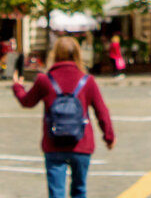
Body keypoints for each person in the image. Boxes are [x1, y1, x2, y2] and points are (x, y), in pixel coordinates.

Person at [13, 36, 116, 198]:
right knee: (79, 190)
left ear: (55, 54)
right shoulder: (87, 80)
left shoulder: (44, 80)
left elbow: (27, 102)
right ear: (77, 54)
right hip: (81, 143)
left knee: (56, 192)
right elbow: (102, 111)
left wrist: (18, 87)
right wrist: (109, 137)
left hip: (54, 142)